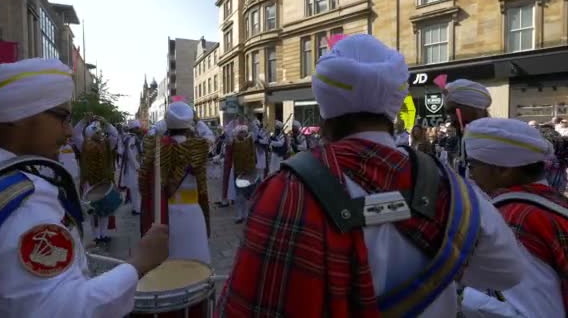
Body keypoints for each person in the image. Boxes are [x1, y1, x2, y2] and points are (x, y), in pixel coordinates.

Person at [216, 34, 524, 317]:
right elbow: (508, 272)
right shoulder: (451, 188)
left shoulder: (284, 190)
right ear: (392, 108)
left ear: (324, 111)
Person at [0, 58, 169, 318]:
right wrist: (138, 264)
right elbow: (65, 310)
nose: (69, 131)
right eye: (63, 117)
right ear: (19, 115)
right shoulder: (26, 205)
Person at [461, 118, 567, 317]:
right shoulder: (554, 201)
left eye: (472, 164)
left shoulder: (515, 219)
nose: (470, 174)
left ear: (503, 170)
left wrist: (460, 296)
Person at [140, 102, 211, 264]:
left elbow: (149, 137)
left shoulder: (157, 148)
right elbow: (209, 136)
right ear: (189, 124)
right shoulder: (199, 147)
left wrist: (162, 123)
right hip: (192, 212)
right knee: (194, 261)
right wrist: (198, 120)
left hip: (165, 212)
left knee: (169, 260)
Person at [73, 118, 119, 244]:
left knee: (105, 209)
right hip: (90, 182)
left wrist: (106, 123)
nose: (100, 134)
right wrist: (83, 121)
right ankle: (97, 236)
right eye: (97, 132)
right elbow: (75, 133)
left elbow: (115, 134)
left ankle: (102, 235)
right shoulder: (83, 143)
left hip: (103, 181)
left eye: (100, 131)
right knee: (94, 211)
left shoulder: (107, 143)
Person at [443, 79, 491, 177]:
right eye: (448, 113)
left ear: (476, 109)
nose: (451, 120)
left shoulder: (493, 141)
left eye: (453, 111)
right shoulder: (461, 137)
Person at [228, 124, 257, 223]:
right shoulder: (234, 142)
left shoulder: (250, 141)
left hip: (248, 171)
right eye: (240, 132)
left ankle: (246, 215)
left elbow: (253, 155)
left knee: (246, 194)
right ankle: (239, 215)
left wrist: (252, 168)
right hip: (237, 171)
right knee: (239, 195)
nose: (242, 133)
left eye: (244, 131)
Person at [119, 119, 142, 215]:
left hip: (131, 167)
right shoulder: (132, 139)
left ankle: (135, 208)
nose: (139, 129)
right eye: (138, 128)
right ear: (134, 129)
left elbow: (121, 151)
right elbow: (131, 154)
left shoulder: (127, 138)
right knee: (136, 189)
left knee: (134, 189)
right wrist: (137, 167)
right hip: (133, 168)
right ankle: (137, 209)